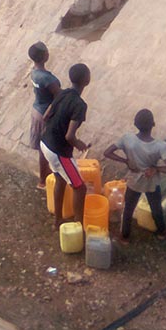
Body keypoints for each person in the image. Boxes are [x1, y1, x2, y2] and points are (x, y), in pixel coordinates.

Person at [104, 109, 166, 243]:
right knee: (156, 207)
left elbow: (107, 152)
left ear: (135, 124)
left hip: (134, 179)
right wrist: (156, 168)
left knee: (128, 208)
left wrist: (126, 161)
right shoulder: (160, 146)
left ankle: (124, 236)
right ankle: (162, 232)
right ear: (153, 124)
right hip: (151, 180)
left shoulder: (127, 139)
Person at [40, 63, 91, 230]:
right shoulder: (80, 105)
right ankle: (78, 226)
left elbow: (46, 116)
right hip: (58, 151)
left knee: (60, 180)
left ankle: (57, 221)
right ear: (86, 80)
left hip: (45, 144)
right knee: (80, 188)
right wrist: (79, 144)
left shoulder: (63, 93)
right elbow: (69, 136)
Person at [27, 42, 61, 189]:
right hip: (46, 115)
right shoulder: (49, 79)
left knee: (42, 148)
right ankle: (44, 180)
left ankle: (44, 178)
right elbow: (59, 97)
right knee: (47, 149)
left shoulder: (34, 72)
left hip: (37, 112)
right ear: (45, 56)